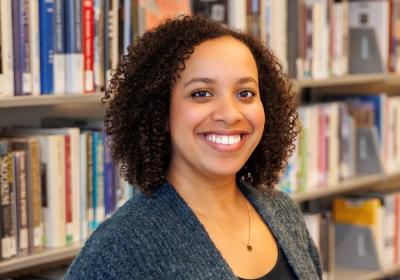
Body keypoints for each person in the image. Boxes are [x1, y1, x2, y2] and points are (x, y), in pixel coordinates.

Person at [65, 16, 321, 280]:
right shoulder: (122, 246)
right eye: (201, 93)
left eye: (245, 93)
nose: (230, 114)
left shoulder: (283, 212)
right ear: (161, 111)